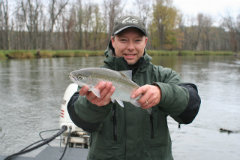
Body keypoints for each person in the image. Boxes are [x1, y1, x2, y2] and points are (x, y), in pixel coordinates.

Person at [67, 15, 201, 160]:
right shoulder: (96, 76)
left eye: (137, 40)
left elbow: (190, 109)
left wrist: (163, 93)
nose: (130, 47)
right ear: (113, 41)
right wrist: (93, 105)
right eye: (123, 40)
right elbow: (79, 117)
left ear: (145, 42)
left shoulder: (163, 76)